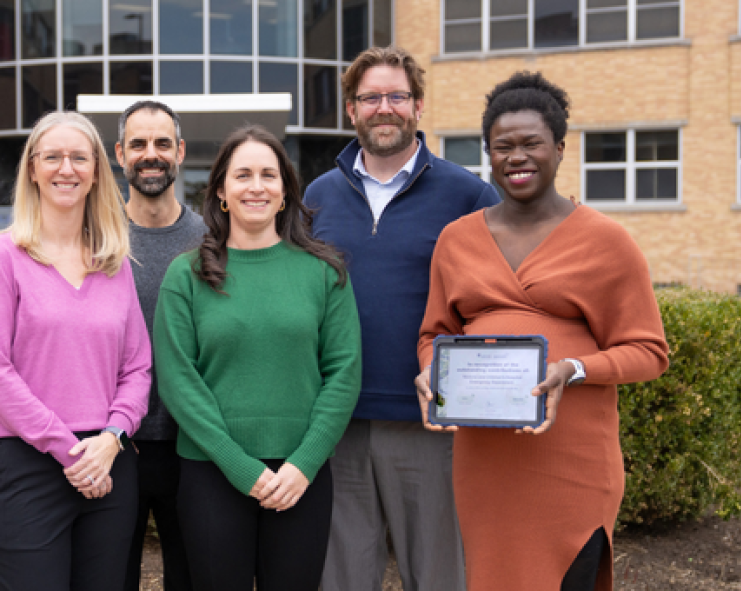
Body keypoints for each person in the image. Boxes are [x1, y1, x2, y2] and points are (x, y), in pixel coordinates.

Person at [415, 71, 669, 591]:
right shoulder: (457, 240)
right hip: (485, 461)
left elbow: (649, 350)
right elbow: (434, 333)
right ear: (488, 154)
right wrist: (429, 373)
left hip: (570, 457)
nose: (517, 157)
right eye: (502, 146)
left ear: (558, 147)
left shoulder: (607, 241)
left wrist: (574, 369)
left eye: (531, 143)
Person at [303, 45, 500, 591]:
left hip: (431, 427)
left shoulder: (468, 196)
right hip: (337, 424)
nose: (383, 107)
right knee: (340, 579)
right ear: (351, 110)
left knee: (438, 577)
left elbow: (491, 304)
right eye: (370, 98)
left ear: (417, 106)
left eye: (397, 96)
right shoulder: (317, 197)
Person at [153, 124, 363, 591]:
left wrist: (304, 464)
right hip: (212, 472)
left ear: (286, 190)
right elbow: (178, 380)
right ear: (222, 190)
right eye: (242, 174)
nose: (256, 186)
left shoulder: (324, 272)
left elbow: (343, 374)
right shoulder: (186, 275)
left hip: (299, 477)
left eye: (269, 174)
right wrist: (242, 468)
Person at [0, 111, 151, 591]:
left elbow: (137, 369)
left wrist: (112, 438)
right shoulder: (0, 257)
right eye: (52, 156)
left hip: (108, 466)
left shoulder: (115, 264)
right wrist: (68, 450)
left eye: (78, 157)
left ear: (95, 171)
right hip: (27, 465)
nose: (65, 168)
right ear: (32, 168)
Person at [115, 100, 206, 591]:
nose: (151, 155)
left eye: (162, 144)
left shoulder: (212, 239)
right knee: (111, 576)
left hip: (192, 444)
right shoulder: (96, 236)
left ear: (181, 151)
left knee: (191, 576)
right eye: (138, 144)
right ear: (120, 153)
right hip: (113, 443)